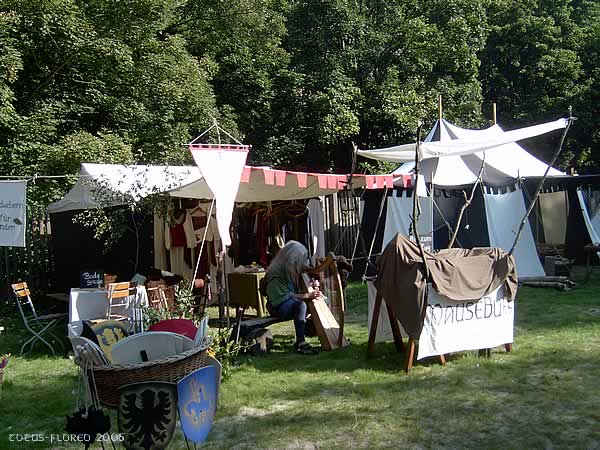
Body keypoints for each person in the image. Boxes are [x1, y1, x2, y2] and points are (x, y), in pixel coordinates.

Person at [265, 240, 320, 354]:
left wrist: (312, 282)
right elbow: (284, 296)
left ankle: (313, 331)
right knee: (301, 305)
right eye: (299, 260)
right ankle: (301, 342)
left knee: (315, 302)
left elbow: (302, 272)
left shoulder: (288, 267)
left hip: (286, 302)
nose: (300, 263)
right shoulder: (276, 273)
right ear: (292, 259)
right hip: (277, 306)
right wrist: (307, 295)